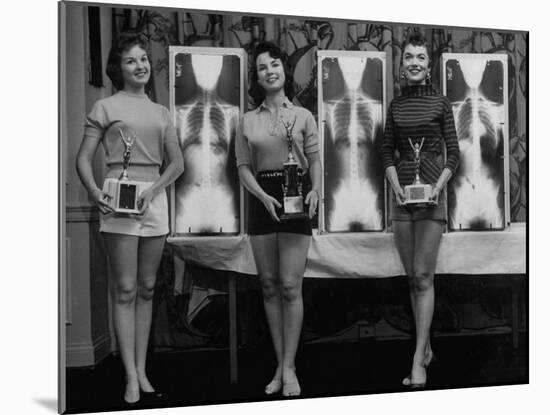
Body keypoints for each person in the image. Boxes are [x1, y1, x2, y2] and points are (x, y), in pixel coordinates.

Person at [76, 31, 184, 404]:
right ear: (117, 68)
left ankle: (142, 368)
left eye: (142, 60)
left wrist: (154, 191)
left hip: (152, 200)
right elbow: (81, 159)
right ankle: (130, 376)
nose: (139, 66)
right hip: (116, 200)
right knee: (124, 289)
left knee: (147, 288)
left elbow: (178, 163)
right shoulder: (105, 107)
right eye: (130, 60)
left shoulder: (161, 112)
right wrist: (95, 193)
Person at [235, 41, 321, 397]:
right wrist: (261, 197)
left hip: (297, 196)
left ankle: (289, 368)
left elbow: (315, 161)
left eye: (274, 65)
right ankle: (280, 363)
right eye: (261, 68)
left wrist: (316, 189)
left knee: (290, 286)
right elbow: (242, 168)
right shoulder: (247, 120)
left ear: (284, 70)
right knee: (269, 286)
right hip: (263, 200)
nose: (269, 71)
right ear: (256, 77)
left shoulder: (303, 116)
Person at [381, 32, 460, 388]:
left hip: (432, 199)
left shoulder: (441, 103)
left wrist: (438, 188)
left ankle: (417, 358)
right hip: (402, 200)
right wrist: (397, 186)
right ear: (402, 65)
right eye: (409, 57)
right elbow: (385, 151)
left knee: (424, 277)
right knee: (413, 277)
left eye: (420, 58)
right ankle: (424, 345)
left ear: (429, 66)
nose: (414, 62)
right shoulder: (396, 106)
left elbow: (454, 154)